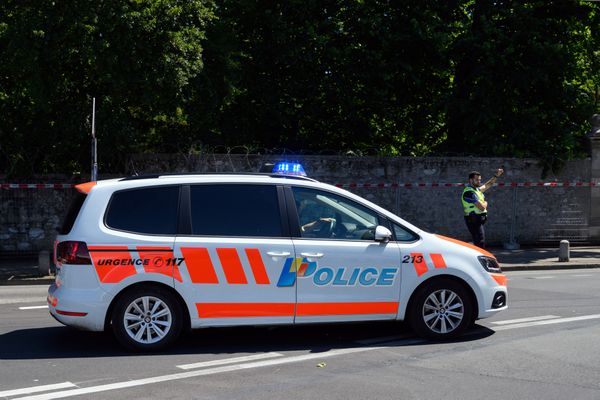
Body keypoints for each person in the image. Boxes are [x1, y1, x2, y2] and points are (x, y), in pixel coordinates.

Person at [462, 168, 504, 248]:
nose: (479, 181)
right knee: (480, 243)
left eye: (480, 180)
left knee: (478, 242)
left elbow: (489, 184)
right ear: (471, 180)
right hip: (473, 220)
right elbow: (481, 207)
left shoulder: (477, 190)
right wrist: (485, 203)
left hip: (476, 220)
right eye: (477, 180)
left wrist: (496, 175)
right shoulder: (469, 192)